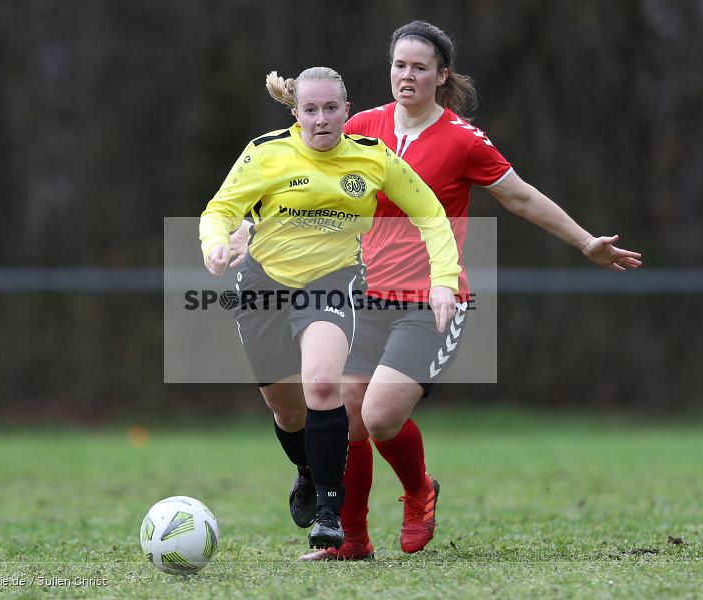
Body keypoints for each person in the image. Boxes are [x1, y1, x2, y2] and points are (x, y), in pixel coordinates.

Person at [233, 22, 643, 561]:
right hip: (361, 296)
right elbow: (298, 179)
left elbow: (520, 199)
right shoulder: (360, 126)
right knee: (347, 412)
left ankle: (419, 491)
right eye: (399, 65)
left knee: (379, 415)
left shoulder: (462, 140)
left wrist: (587, 242)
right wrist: (249, 228)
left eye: (420, 67)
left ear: (440, 75)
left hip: (431, 302)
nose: (408, 75)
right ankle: (350, 541)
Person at [200, 66, 462, 551]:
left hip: (332, 282)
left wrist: (444, 280)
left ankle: (329, 514)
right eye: (310, 110)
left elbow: (430, 212)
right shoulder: (266, 153)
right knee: (287, 411)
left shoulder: (372, 159)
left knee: (323, 384)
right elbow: (221, 209)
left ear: (347, 111)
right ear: (296, 115)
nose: (321, 120)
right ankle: (306, 469)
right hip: (262, 286)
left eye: (330, 109)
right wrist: (216, 244)